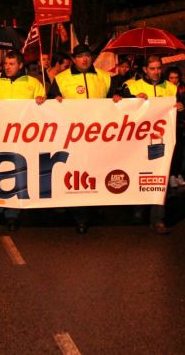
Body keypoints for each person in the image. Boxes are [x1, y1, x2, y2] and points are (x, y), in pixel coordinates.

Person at [48, 44, 112, 233]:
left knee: (96, 172)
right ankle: (80, 215)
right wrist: (54, 101)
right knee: (77, 176)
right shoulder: (61, 79)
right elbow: (50, 103)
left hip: (99, 136)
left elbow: (117, 101)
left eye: (87, 55)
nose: (84, 59)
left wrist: (119, 97)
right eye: (80, 56)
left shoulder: (105, 77)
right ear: (73, 59)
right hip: (72, 137)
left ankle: (96, 206)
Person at [0, 49, 46, 230]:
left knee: (17, 173)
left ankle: (12, 213)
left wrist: (42, 100)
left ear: (20, 65)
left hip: (22, 137)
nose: (7, 67)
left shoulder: (33, 83)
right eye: (6, 64)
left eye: (11, 64)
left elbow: (44, 108)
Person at [119, 55, 178, 234]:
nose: (157, 72)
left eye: (159, 68)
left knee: (160, 178)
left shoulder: (171, 87)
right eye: (152, 68)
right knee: (138, 174)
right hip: (137, 141)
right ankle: (138, 208)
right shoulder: (131, 85)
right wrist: (132, 99)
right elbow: (117, 104)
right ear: (145, 69)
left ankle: (158, 219)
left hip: (162, 140)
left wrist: (183, 107)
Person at [164, 66, 185, 188]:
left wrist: (184, 105)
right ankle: (171, 175)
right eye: (171, 78)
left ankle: (178, 173)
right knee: (171, 152)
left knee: (181, 151)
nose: (173, 80)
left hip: (183, 124)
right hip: (169, 125)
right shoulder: (164, 88)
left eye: (176, 77)